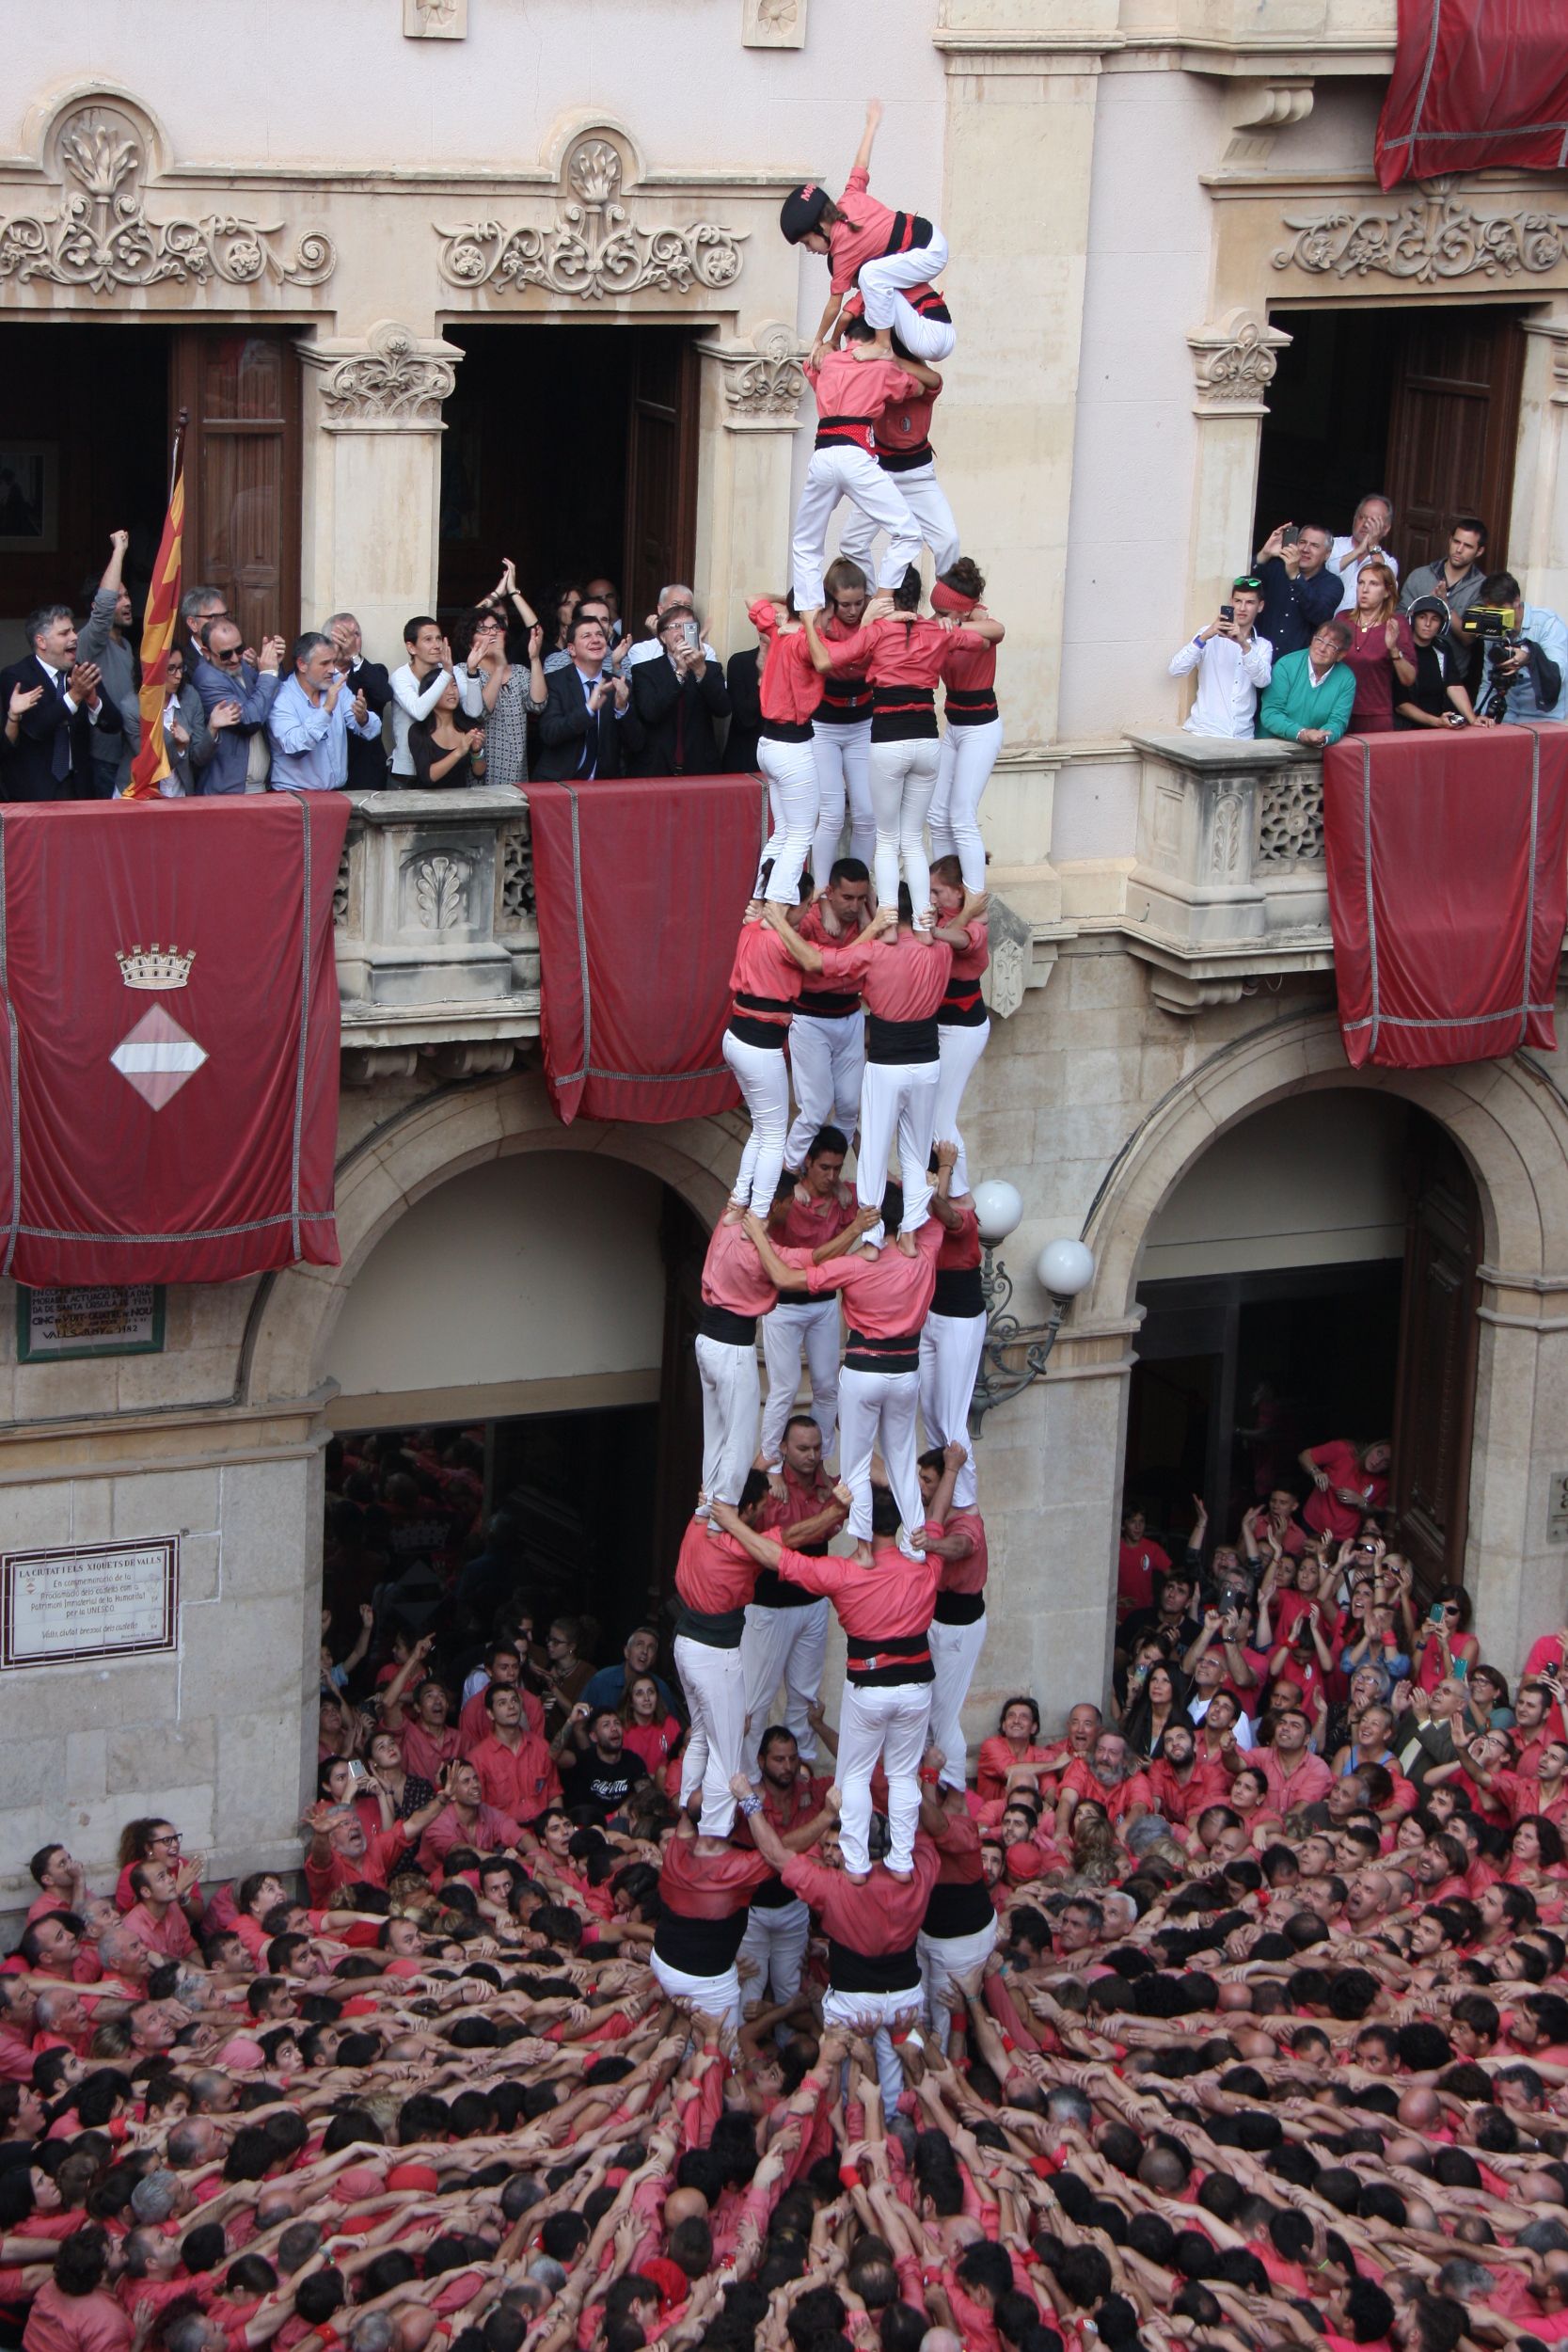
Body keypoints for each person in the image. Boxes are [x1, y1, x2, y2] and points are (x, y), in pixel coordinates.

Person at [716, 1486, 939, 1884]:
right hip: (917, 1684)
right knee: (904, 1775)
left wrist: (731, 1522)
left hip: (870, 1686)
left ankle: (856, 1864)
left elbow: (777, 1557)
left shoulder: (843, 1572)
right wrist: (950, 1473)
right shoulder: (924, 1564)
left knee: (853, 1776)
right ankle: (901, 1861)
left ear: (859, 1525)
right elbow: (936, 1518)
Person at [744, 1182, 941, 1552]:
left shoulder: (853, 1266)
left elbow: (786, 1278)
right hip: (905, 1371)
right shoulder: (925, 1253)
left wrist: (757, 1233)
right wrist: (938, 1175)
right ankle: (916, 1545)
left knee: (856, 1462)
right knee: (901, 1457)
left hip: (864, 1369)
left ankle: (864, 1549)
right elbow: (933, 1217)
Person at [805, 571, 995, 925]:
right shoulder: (936, 631)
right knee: (913, 837)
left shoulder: (876, 632)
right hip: (927, 742)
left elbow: (832, 658)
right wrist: (963, 622)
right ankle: (924, 924)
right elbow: (984, 642)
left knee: (887, 838)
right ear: (921, 597)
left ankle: (888, 925)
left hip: (889, 741)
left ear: (886, 597)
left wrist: (865, 623)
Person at [785, 98, 955, 367]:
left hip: (928, 255)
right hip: (931, 241)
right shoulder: (848, 200)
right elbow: (860, 167)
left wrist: (819, 340)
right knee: (878, 281)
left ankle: (883, 346)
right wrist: (871, 127)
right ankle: (891, 350)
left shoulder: (843, 250)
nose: (810, 249)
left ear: (820, 227)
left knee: (870, 276)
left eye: (808, 241)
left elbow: (835, 307)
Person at [789, 317, 931, 615]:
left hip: (823, 454)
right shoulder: (881, 366)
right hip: (855, 454)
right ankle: (879, 602)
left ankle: (810, 618)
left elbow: (809, 365)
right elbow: (920, 389)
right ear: (877, 339)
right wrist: (897, 359)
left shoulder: (828, 362)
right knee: (907, 532)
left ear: (849, 335)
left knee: (805, 542)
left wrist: (824, 342)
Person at [740, 1413, 845, 1775]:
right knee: (757, 1696)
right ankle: (750, 1777)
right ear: (783, 1448)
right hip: (768, 1604)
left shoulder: (830, 1485)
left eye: (817, 1447)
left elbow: (828, 1528)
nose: (811, 1455)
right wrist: (769, 1468)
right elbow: (778, 1540)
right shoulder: (767, 1486)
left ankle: (801, 1770)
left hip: (814, 1602)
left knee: (805, 1694)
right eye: (802, 1448)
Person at [759, 1135, 859, 1463]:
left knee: (828, 1386)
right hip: (784, 1305)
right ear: (808, 1165)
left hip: (824, 1303)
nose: (831, 1177)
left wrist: (859, 1139)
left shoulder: (844, 1196)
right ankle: (771, 1461)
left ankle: (822, 1457)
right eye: (824, 1168)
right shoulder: (789, 1198)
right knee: (784, 1389)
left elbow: (888, 1190)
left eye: (837, 1169)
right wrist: (791, 1189)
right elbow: (769, 1224)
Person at [782, 861, 873, 1177]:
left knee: (850, 1105)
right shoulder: (810, 920)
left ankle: (832, 1172)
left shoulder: (866, 919)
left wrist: (866, 915)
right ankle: (789, 1172)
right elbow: (812, 960)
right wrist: (822, 908)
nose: (854, 905)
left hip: (850, 1016)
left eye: (861, 898)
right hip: (811, 1019)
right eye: (847, 897)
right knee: (816, 1109)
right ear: (830, 892)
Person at [839, 355, 958, 578]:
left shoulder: (921, 381)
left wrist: (896, 361)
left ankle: (947, 608)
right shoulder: (877, 382)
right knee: (852, 542)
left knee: (948, 541)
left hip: (918, 475)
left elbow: (933, 381)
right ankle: (871, 604)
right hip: (881, 474)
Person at [927, 559, 1005, 894]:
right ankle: (944, 890)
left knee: (961, 814)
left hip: (981, 728)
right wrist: (944, 624)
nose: (938, 617)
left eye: (945, 611)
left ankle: (974, 896)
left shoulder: (980, 621)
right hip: (955, 726)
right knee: (937, 814)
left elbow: (996, 631)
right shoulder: (944, 622)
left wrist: (959, 627)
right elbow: (926, 629)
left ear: (961, 610)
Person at [0, 605, 124, 802]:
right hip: (35, 793)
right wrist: (75, 695)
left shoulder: (81, 673)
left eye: (73, 630)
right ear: (41, 642)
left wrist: (92, 700)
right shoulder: (17, 677)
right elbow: (36, 728)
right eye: (64, 633)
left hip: (80, 789)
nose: (74, 637)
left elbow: (115, 724)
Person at [918, 1443, 987, 1792]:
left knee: (943, 1716)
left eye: (928, 1481)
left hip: (958, 1625)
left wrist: (930, 1545)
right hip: (933, 1618)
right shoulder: (930, 1509)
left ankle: (955, 1789)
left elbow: (962, 1546)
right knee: (926, 1709)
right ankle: (932, 1783)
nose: (920, 1486)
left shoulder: (965, 1517)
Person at [918, 1147, 985, 1502]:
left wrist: (943, 1168)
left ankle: (964, 1503)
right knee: (929, 1408)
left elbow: (942, 1212)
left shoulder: (963, 1212)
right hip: (929, 1316)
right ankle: (939, 1493)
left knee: (951, 1417)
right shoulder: (922, 1205)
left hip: (959, 1318)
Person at [746, 594, 820, 905]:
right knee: (801, 835)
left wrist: (787, 611)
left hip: (769, 744)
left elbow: (754, 600)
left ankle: (759, 901)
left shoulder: (781, 629)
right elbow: (832, 659)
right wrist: (801, 620)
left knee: (785, 832)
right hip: (791, 744)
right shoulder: (803, 640)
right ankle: (775, 904)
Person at [811, 558, 875, 877]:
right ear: (830, 600)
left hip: (862, 723)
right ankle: (822, 892)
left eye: (858, 603)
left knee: (866, 812)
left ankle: (859, 891)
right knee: (832, 813)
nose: (852, 611)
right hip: (823, 726)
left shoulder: (873, 617)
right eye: (844, 604)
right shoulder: (821, 623)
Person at [927, 861, 990, 1194]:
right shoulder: (940, 916)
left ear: (959, 891)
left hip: (963, 1029)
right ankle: (947, 1186)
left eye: (938, 891)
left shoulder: (975, 925)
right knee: (931, 1114)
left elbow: (961, 939)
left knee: (940, 1117)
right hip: (940, 1026)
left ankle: (958, 1193)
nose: (932, 898)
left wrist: (934, 932)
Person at [266, 632, 384, 792]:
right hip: (294, 797)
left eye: (333, 662)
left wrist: (363, 718)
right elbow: (293, 746)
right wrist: (326, 709)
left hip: (336, 795)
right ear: (302, 664)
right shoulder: (282, 696)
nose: (332, 669)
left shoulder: (335, 683)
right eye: (325, 663)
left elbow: (374, 729)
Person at [626, 606, 731, 778]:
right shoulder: (644, 670)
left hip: (700, 768)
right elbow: (651, 712)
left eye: (689, 627)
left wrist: (700, 671)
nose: (682, 633)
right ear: (662, 636)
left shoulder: (710, 668)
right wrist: (680, 673)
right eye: (675, 627)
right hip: (656, 768)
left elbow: (723, 709)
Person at [75, 530, 140, 795]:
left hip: (130, 754)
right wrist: (119, 551)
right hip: (105, 759)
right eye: (118, 597)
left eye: (127, 596)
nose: (127, 603)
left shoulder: (125, 645)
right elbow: (103, 609)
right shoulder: (90, 640)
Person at [1167, 576, 1273, 738]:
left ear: (1260, 606)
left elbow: (1262, 681)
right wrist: (1205, 635)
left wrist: (1244, 645)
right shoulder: (1207, 635)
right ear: (1231, 602)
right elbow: (1175, 670)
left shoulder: (1263, 645)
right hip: (1205, 732)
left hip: (1241, 736)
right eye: (1238, 601)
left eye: (1250, 602)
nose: (1242, 608)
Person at [532, 611, 632, 782]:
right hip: (559, 785)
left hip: (603, 788)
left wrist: (622, 708)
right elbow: (550, 733)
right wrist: (588, 710)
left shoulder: (619, 684)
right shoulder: (554, 682)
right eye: (586, 636)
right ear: (571, 649)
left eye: (599, 635)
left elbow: (636, 743)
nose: (595, 640)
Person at [464, 586, 546, 787]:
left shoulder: (519, 671)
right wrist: (500, 666)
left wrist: (534, 659)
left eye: (495, 628)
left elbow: (538, 704)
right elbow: (480, 713)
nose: (492, 633)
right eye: (483, 629)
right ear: (470, 639)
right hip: (479, 775)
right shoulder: (463, 672)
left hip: (515, 775)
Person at [191, 619, 283, 795]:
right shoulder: (207, 678)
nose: (235, 658)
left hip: (260, 787)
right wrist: (268, 672)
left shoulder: (242, 668)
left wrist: (273, 663)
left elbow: (269, 696)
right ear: (206, 653)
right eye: (226, 654)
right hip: (229, 791)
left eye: (239, 650)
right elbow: (249, 720)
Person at [1467, 569, 1568, 723]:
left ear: (1516, 601)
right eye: (1491, 610)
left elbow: (1558, 675)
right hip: (1507, 714)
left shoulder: (1548, 623)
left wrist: (1529, 658)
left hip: (1545, 717)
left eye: (1500, 609)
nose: (1495, 616)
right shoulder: (1494, 628)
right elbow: (1488, 682)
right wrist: (1479, 715)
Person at [389, 615, 481, 778]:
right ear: (411, 647)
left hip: (446, 769)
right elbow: (419, 712)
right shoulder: (401, 676)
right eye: (428, 639)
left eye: (439, 638)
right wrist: (446, 673)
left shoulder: (453, 671)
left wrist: (472, 672)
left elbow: (473, 711)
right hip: (407, 773)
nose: (437, 645)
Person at [1338, 562, 1417, 734]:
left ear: (1387, 591)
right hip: (1338, 713)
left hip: (1375, 715)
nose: (1364, 589)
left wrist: (1394, 650)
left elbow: (1408, 679)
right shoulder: (1342, 619)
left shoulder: (1396, 624)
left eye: (1373, 584)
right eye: (1361, 583)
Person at [1257, 619, 1355, 747]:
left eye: (1331, 646)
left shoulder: (1346, 678)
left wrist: (1323, 737)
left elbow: (1338, 722)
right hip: (1272, 747)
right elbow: (1271, 713)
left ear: (1341, 655)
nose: (1322, 648)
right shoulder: (1286, 665)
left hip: (1314, 752)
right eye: (1319, 640)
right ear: (1312, 640)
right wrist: (1302, 733)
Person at [1252, 523, 1344, 658]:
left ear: (1327, 554)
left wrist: (1295, 576)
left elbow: (1319, 614)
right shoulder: (1275, 568)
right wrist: (1264, 554)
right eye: (1302, 542)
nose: (1306, 549)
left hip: (1297, 668)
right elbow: (1244, 586)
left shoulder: (1332, 584)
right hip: (1259, 659)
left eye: (1314, 545)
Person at [1394, 597, 1485, 730]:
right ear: (1412, 619)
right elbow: (1401, 705)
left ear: (1442, 624)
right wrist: (1436, 722)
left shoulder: (1443, 648)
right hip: (1407, 730)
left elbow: (1454, 685)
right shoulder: (1400, 650)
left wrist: (1472, 719)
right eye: (1422, 617)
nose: (1428, 623)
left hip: (1439, 728)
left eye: (1435, 619)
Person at [325, 612, 392, 788]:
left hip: (366, 770)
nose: (351, 641)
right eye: (343, 636)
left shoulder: (373, 671)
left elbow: (384, 694)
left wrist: (355, 655)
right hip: (327, 772)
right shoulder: (319, 677)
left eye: (356, 634)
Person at [1398, 517, 1489, 623]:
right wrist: (1426, 605)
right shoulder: (1419, 576)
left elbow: (1469, 637)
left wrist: (1445, 606)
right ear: (1450, 540)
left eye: (1467, 546)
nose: (1459, 550)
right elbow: (1399, 621)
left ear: (1479, 551)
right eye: (1456, 542)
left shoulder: (1482, 587)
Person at [406, 672, 486, 787]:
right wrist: (459, 751)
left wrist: (476, 751)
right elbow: (427, 777)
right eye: (444, 687)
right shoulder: (419, 731)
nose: (452, 692)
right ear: (431, 693)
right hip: (426, 801)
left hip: (461, 800)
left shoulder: (467, 726)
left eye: (454, 685)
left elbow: (479, 774)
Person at [158, 646, 216, 797]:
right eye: (171, 669)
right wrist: (179, 747)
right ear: (154, 669)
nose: (178, 676)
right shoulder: (133, 706)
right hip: (142, 796)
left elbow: (198, 758)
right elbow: (151, 765)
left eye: (180, 668)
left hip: (180, 794)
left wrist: (212, 728)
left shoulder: (190, 696)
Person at [1330, 492, 1400, 612]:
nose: (1366, 524)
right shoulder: (1333, 545)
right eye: (1362, 517)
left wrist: (1372, 545)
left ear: (1386, 528)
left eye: (1374, 521)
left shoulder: (1389, 562)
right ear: (1354, 520)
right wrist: (1357, 552)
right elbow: (1327, 570)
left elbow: (1385, 585)